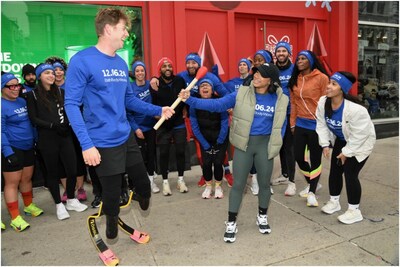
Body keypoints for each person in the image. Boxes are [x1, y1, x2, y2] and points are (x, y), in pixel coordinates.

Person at [64, 7, 174, 240]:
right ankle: (111, 222)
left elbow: (128, 100)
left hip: (125, 136)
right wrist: (86, 145)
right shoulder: (81, 61)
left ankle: (135, 202)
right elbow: (72, 105)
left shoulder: (121, 64)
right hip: (101, 141)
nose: (127, 34)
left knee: (144, 188)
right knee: (112, 196)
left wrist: (158, 109)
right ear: (108, 29)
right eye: (123, 29)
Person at [179, 63, 288, 243]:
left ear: (271, 79)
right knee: (238, 185)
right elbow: (217, 104)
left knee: (264, 185)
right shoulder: (242, 92)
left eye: (261, 74)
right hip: (244, 145)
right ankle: (231, 222)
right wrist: (190, 99)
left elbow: (281, 124)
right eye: (256, 73)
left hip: (264, 146)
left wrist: (277, 143)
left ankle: (262, 216)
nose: (256, 76)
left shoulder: (281, 99)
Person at [26, 63, 88, 220]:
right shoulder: (32, 95)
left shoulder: (61, 92)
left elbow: (69, 111)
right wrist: (53, 125)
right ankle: (59, 204)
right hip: (47, 139)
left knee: (72, 169)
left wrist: (66, 124)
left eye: (53, 73)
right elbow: (34, 119)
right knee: (53, 173)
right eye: (47, 73)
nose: (52, 75)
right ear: (40, 76)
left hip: (64, 136)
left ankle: (72, 200)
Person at [316, 71, 376, 224]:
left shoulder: (357, 110)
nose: (328, 86)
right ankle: (334, 202)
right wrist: (325, 144)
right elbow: (321, 124)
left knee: (350, 172)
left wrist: (347, 153)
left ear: (342, 89)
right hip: (343, 140)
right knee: (335, 170)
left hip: (361, 143)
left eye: (333, 84)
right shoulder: (323, 102)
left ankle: (354, 211)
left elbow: (360, 135)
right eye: (329, 82)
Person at [1, 73, 44, 232]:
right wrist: (7, 152)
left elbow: (30, 122)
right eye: (11, 86)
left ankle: (28, 205)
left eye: (17, 85)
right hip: (13, 148)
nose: (15, 88)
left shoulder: (22, 101)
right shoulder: (1, 105)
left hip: (28, 146)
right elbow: (1, 131)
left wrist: (35, 139)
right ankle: (14, 217)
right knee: (12, 183)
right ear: (2, 88)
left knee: (26, 179)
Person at [288, 50, 329, 207]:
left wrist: (326, 125)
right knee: (299, 157)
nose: (299, 61)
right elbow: (293, 103)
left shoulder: (322, 78)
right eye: (298, 59)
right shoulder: (295, 80)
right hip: (300, 124)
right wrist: (292, 123)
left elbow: (328, 101)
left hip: (317, 126)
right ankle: (314, 182)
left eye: (303, 58)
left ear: (311, 61)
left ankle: (312, 192)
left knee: (315, 159)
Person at [45, 57, 88, 203]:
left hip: (76, 128)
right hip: (60, 132)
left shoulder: (72, 86)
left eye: (60, 70)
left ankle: (80, 188)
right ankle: (67, 190)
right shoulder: (48, 90)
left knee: (78, 159)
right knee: (62, 163)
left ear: (64, 72)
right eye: (54, 70)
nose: (57, 72)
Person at [150, 57, 188, 196]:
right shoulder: (155, 84)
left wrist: (185, 110)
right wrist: (158, 116)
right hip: (163, 125)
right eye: (164, 66)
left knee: (180, 152)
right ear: (160, 69)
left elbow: (184, 98)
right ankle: (165, 182)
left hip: (178, 123)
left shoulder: (179, 80)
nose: (167, 68)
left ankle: (180, 180)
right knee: (164, 153)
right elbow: (152, 105)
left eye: (169, 66)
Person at [189, 78, 229, 199]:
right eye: (202, 86)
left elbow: (224, 122)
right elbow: (194, 127)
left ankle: (217, 186)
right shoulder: (194, 104)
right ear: (199, 90)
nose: (205, 87)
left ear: (212, 90)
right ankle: (208, 186)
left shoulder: (219, 101)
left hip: (220, 138)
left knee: (218, 163)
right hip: (204, 138)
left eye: (207, 85)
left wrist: (220, 140)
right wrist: (204, 143)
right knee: (206, 164)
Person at [243, 49, 273, 195]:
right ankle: (254, 180)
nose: (258, 62)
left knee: (266, 156)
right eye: (256, 60)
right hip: (252, 127)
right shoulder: (249, 80)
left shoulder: (274, 81)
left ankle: (265, 182)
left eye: (261, 59)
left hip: (268, 127)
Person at [127, 61, 159, 193]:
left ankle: (151, 180)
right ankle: (138, 182)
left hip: (152, 127)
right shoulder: (130, 88)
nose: (140, 73)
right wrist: (136, 128)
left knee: (151, 155)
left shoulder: (150, 85)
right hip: (138, 128)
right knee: (140, 157)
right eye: (137, 71)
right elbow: (127, 112)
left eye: (142, 70)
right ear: (134, 73)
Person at [270, 41, 297, 196]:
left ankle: (292, 181)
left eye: (283, 51)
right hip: (277, 114)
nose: (281, 53)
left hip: (292, 114)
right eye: (278, 51)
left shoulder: (295, 69)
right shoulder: (273, 70)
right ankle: (285, 175)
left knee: (290, 148)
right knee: (280, 145)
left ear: (288, 53)